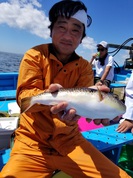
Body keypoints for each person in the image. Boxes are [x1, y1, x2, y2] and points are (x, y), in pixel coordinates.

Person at [1, 1, 130, 178]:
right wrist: (48, 96)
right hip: (31, 143)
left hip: (70, 142)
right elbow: (24, 98)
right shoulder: (34, 56)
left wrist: (95, 111)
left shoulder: (84, 67)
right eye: (61, 27)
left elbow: (83, 103)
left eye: (76, 30)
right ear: (51, 30)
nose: (68, 36)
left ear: (82, 37)